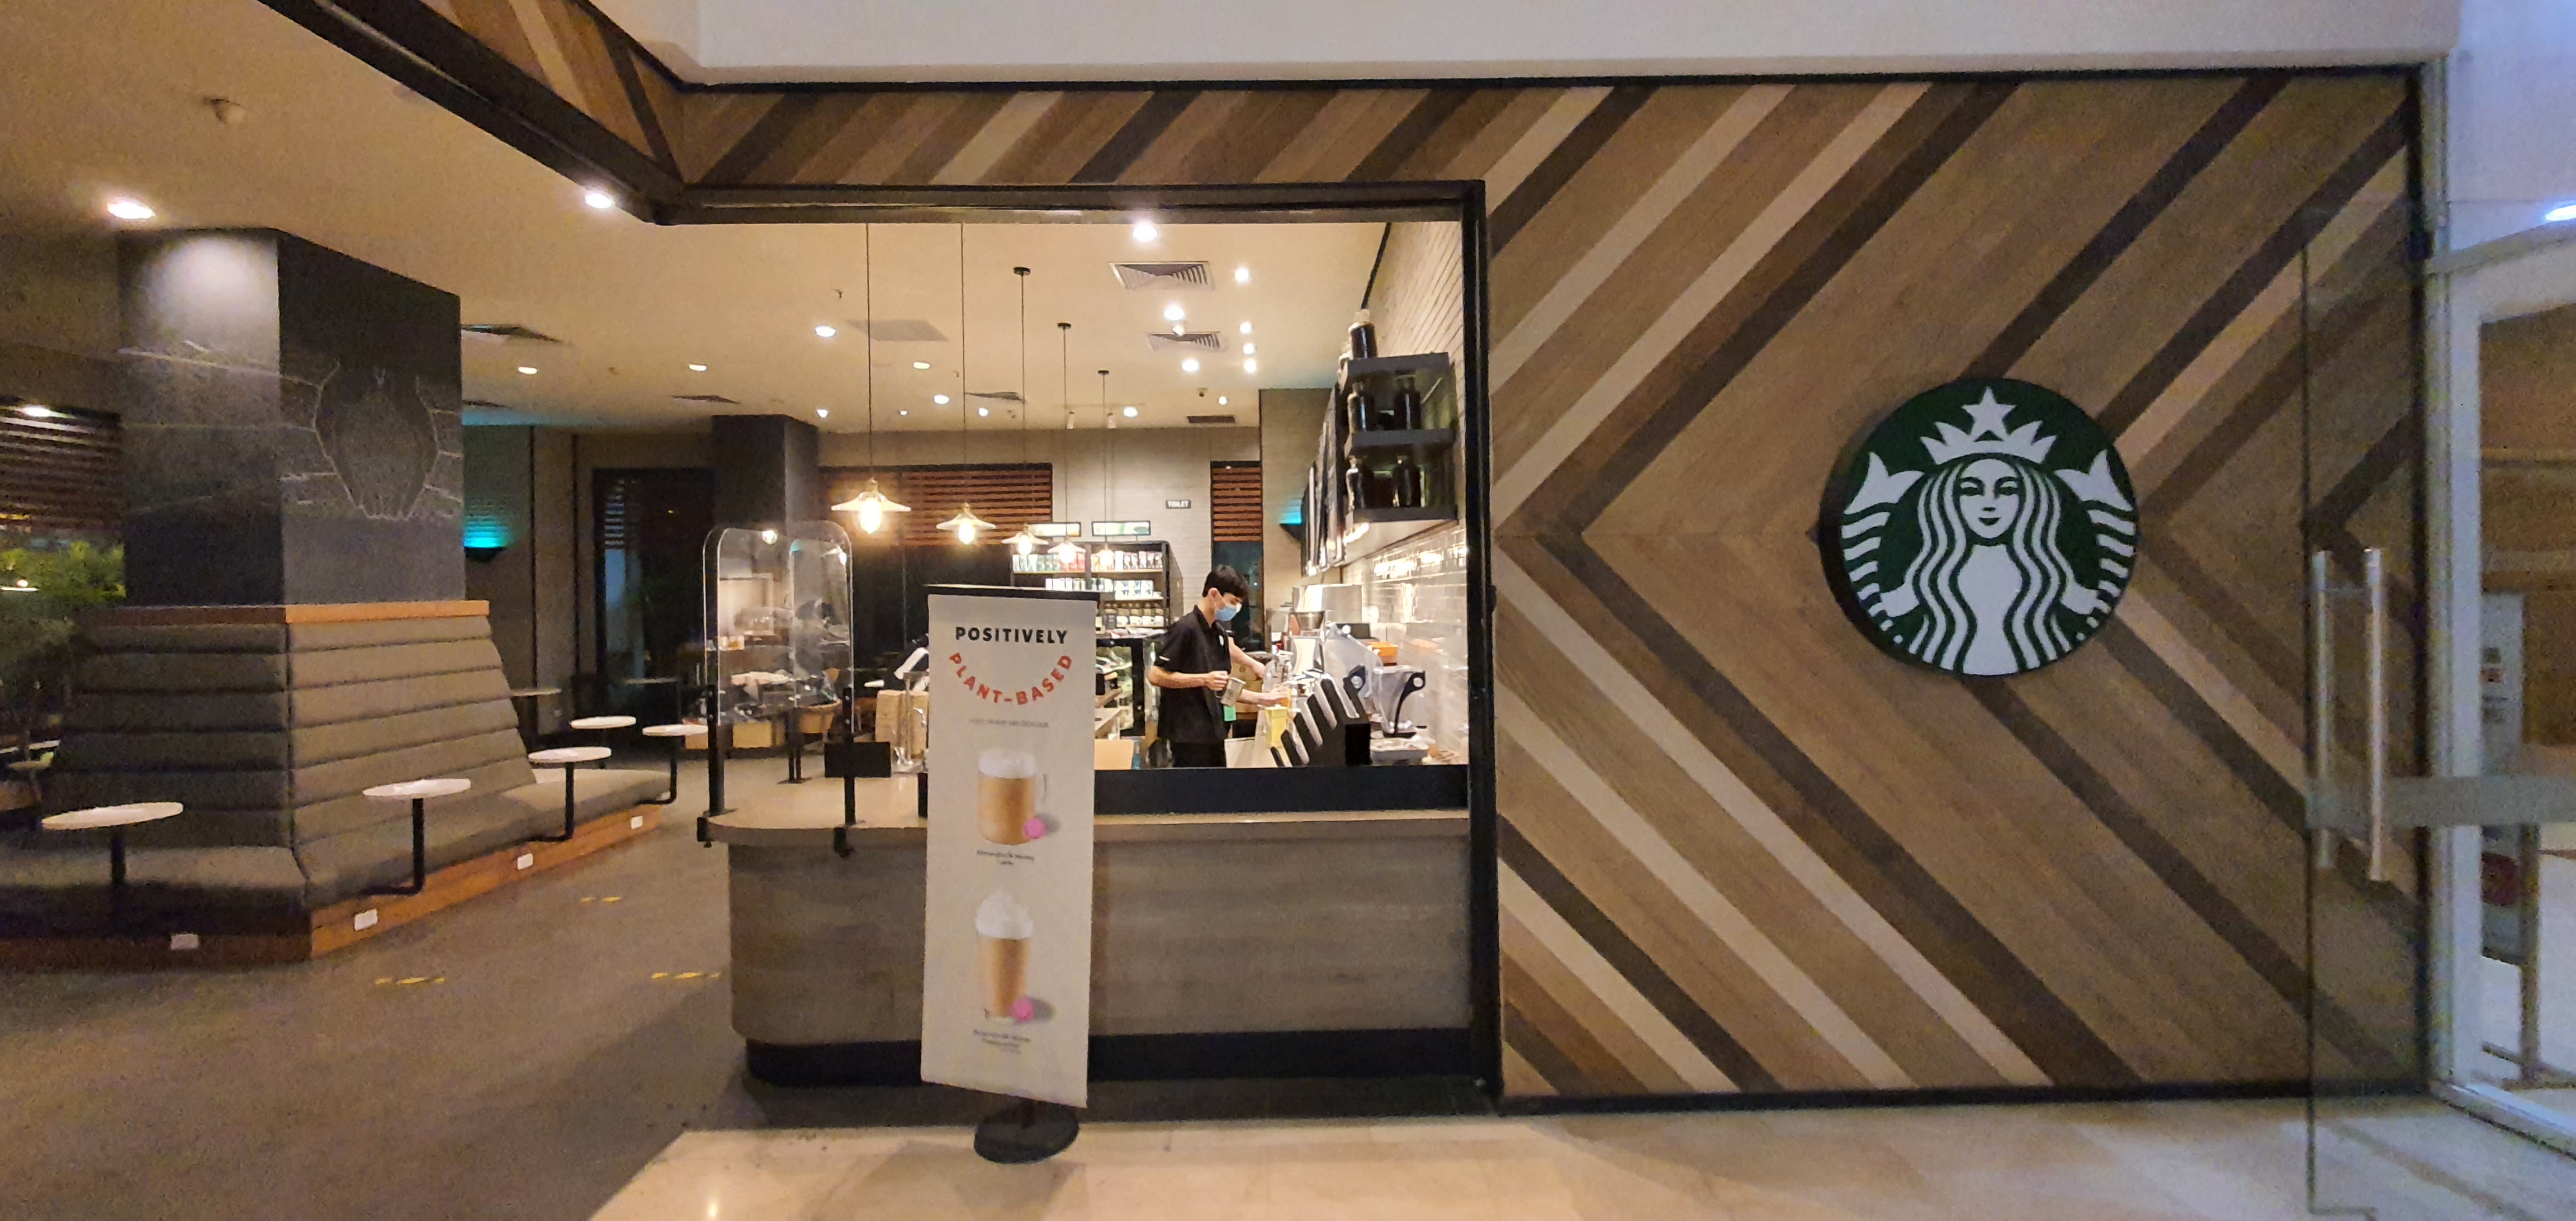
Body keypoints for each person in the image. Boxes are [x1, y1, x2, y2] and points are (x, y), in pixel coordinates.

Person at [1147, 566, 1282, 767]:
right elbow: (1156, 675)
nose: (1235, 609)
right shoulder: (1186, 629)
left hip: (1213, 731)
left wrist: (1264, 699)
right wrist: (1203, 679)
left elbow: (1223, 687)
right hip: (1188, 735)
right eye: (1233, 602)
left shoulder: (1217, 633)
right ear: (1214, 594)